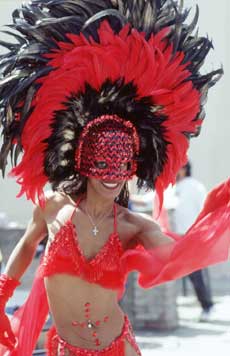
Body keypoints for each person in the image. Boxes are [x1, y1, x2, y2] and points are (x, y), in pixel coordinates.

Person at [0, 1, 229, 355]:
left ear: (131, 169)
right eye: (102, 162)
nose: (111, 175)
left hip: (119, 347)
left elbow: (179, 255)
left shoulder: (132, 226)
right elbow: (28, 245)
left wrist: (217, 218)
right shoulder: (53, 206)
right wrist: (2, 294)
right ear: (82, 161)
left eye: (121, 165)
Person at [172, 162, 215, 322]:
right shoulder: (174, 187)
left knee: (196, 273)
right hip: (177, 237)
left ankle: (207, 306)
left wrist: (204, 234)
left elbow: (205, 210)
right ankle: (205, 305)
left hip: (193, 236)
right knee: (190, 273)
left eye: (178, 168)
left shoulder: (195, 186)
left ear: (184, 169)